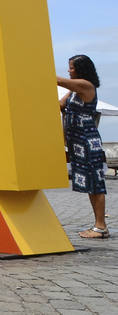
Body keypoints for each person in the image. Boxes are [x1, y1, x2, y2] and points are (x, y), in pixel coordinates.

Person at [59, 54, 108, 239]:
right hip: (77, 142)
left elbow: (57, 80)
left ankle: (101, 227)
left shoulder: (86, 85)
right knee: (89, 183)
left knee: (96, 182)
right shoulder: (74, 89)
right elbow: (61, 104)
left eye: (71, 67)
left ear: (80, 69)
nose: (69, 70)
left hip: (87, 139)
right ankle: (97, 225)